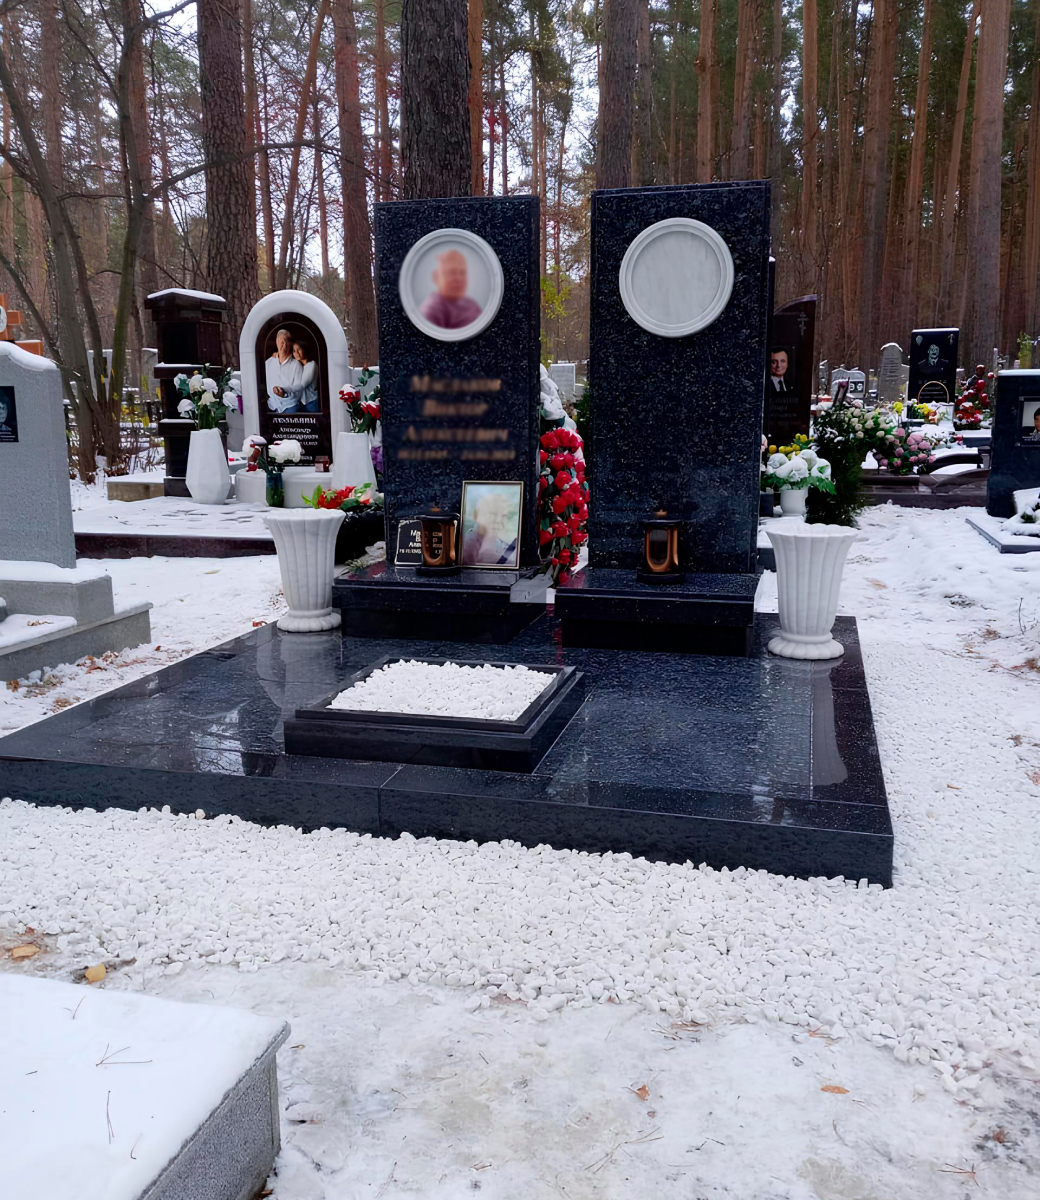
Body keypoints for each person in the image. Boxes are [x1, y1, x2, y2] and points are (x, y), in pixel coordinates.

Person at [420, 250, 482, 330]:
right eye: (452, 272)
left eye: (462, 272)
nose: (459, 279)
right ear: (436, 277)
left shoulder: (472, 305)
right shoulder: (431, 310)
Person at [463, 490, 519, 566]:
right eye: (493, 515)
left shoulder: (508, 542)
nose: (499, 520)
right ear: (476, 515)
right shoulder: (469, 543)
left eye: (504, 516)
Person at [265, 328, 302, 412]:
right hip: (272, 406)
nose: (282, 344)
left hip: (290, 406)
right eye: (280, 341)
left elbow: (299, 390)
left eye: (285, 341)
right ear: (276, 342)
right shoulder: (268, 363)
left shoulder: (296, 365)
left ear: (290, 344)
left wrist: (284, 393)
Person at [282, 341, 319, 413]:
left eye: (299, 349)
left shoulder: (311, 365)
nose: (296, 353)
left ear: (304, 350)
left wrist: (283, 390)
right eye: (294, 351)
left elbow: (302, 385)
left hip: (310, 403)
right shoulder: (297, 366)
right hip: (299, 403)